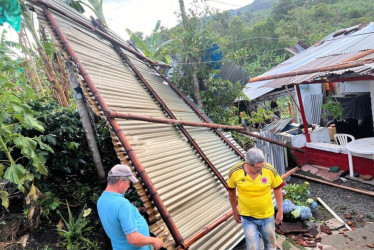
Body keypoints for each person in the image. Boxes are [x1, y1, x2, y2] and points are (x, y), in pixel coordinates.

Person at [227, 148, 285, 250]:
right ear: (248, 163)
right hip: (247, 217)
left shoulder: (269, 169)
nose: (261, 169)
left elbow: (277, 188)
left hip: (267, 216)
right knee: (253, 248)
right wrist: (234, 211)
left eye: (263, 165)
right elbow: (231, 191)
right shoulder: (235, 172)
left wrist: (280, 210)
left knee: (271, 246)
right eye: (258, 167)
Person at [97, 164, 163, 250]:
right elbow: (133, 239)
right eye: (128, 182)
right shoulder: (122, 204)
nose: (129, 186)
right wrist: (154, 241)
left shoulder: (102, 200)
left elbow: (117, 214)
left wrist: (139, 209)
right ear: (121, 181)